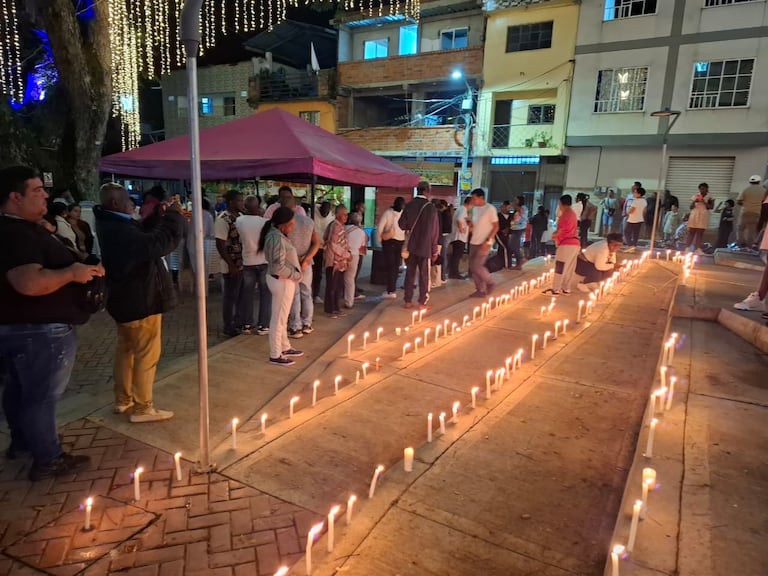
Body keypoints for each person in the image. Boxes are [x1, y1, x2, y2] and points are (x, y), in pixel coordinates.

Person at [0, 166, 105, 479]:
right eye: (36, 191)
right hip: (39, 331)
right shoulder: (15, 234)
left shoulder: (20, 229)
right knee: (40, 396)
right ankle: (48, 457)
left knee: (20, 391)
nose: (45, 194)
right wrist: (73, 273)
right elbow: (29, 283)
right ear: (14, 198)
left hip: (23, 328)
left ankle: (24, 442)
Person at [94, 182, 183, 423]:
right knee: (146, 353)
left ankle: (124, 400)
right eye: (127, 200)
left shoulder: (113, 223)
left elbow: (144, 236)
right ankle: (143, 407)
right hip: (141, 299)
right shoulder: (118, 229)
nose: (132, 204)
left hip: (126, 300)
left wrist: (159, 217)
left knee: (127, 350)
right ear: (114, 203)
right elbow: (156, 245)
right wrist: (174, 218)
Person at [258, 207, 303, 366]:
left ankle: (284, 346)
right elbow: (277, 266)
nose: (293, 226)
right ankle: (275, 354)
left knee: (282, 317)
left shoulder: (277, 235)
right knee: (279, 318)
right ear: (283, 224)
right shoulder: (276, 238)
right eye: (291, 223)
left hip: (282, 280)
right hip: (281, 281)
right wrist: (296, 275)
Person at [398, 181, 439, 308]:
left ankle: (408, 301)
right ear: (427, 191)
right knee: (424, 275)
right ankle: (422, 302)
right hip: (424, 247)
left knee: (410, 273)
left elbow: (401, 225)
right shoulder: (430, 207)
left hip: (411, 246)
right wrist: (434, 250)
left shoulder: (409, 205)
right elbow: (434, 231)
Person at [237, 195, 270, 336]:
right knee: (265, 294)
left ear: (245, 207)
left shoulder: (239, 221)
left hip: (248, 261)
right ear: (258, 207)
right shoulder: (266, 222)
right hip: (263, 261)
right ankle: (263, 325)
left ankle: (247, 324)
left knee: (247, 294)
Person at [286, 197, 320, 336]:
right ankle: (307, 323)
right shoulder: (308, 221)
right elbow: (317, 243)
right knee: (306, 293)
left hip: (290, 262)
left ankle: (295, 326)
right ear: (296, 206)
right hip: (307, 262)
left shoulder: (285, 222)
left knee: (294, 295)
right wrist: (307, 258)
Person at [215, 189, 245, 336]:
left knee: (240, 295)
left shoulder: (241, 217)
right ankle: (228, 325)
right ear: (231, 202)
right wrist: (231, 265)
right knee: (230, 295)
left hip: (243, 262)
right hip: (231, 264)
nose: (242, 203)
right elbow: (220, 244)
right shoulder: (223, 218)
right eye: (239, 200)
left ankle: (238, 322)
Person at [467, 188, 499, 298]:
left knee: (477, 266)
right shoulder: (474, 209)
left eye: (474, 198)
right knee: (472, 267)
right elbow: (474, 225)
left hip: (484, 241)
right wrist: (470, 224)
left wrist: (489, 240)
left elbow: (496, 226)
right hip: (474, 241)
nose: (473, 200)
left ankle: (490, 282)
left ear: (481, 198)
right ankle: (480, 289)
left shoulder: (490, 209)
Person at [546, 194, 580, 295]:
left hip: (567, 244)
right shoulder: (573, 214)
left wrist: (553, 235)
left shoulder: (565, 215)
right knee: (569, 267)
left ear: (561, 204)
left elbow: (561, 231)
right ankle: (566, 288)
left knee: (560, 266)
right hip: (575, 243)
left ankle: (556, 289)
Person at [324, 205, 352, 317]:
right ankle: (330, 309)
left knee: (337, 286)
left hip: (340, 262)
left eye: (346, 214)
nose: (346, 217)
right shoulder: (335, 226)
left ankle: (336, 307)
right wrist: (346, 254)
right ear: (338, 214)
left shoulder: (339, 226)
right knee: (332, 286)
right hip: (333, 261)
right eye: (344, 214)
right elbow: (333, 244)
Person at [377, 196, 405, 298]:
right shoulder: (403, 213)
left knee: (390, 266)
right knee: (396, 266)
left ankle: (390, 290)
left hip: (389, 242)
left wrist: (379, 240)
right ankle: (392, 289)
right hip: (400, 242)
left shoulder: (388, 213)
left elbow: (380, 227)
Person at [344, 211, 368, 307]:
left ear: (349, 219)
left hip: (342, 255)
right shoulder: (361, 232)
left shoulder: (343, 228)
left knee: (338, 278)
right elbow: (362, 245)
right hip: (354, 256)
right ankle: (349, 302)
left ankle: (334, 301)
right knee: (350, 279)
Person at [736, 175, 766, 248]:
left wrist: (745, 204)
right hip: (757, 213)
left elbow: (739, 201)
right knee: (751, 231)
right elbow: (764, 202)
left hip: (746, 212)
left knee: (740, 228)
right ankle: (750, 247)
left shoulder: (746, 189)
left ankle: (741, 243)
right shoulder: (763, 191)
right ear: (759, 181)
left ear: (750, 181)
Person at [312, 200, 333, 302]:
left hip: (322, 248)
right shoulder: (312, 213)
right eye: (323, 212)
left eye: (327, 212)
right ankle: (312, 293)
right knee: (312, 271)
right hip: (312, 247)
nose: (325, 214)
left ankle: (315, 294)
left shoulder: (330, 217)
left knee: (318, 272)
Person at [687, 183, 714, 254]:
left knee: (700, 232)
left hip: (703, 215)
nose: (702, 190)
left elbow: (711, 207)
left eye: (703, 188)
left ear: (707, 189)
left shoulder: (710, 197)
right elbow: (691, 207)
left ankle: (697, 249)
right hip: (695, 214)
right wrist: (694, 201)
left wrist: (704, 202)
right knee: (691, 232)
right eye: (700, 189)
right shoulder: (696, 196)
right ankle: (687, 248)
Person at [448, 196, 471, 279]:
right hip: (459, 237)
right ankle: (454, 273)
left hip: (457, 236)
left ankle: (453, 272)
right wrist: (461, 229)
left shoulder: (460, 209)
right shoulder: (463, 209)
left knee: (456, 255)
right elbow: (459, 220)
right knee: (457, 256)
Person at [624, 187, 647, 252]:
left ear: (639, 194)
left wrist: (627, 212)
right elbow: (645, 210)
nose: (634, 193)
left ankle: (630, 245)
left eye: (635, 192)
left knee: (626, 232)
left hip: (632, 219)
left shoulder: (635, 201)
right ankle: (634, 245)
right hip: (640, 219)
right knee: (635, 233)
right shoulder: (644, 201)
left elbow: (632, 210)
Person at [509, 195, 528, 269]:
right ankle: (519, 262)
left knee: (514, 245)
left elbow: (521, 211)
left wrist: (513, 205)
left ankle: (521, 259)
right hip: (514, 228)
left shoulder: (523, 207)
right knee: (513, 245)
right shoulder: (516, 209)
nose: (514, 202)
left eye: (516, 200)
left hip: (519, 228)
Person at [497, 201, 513, 269]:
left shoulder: (511, 216)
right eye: (503, 207)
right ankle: (507, 265)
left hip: (508, 235)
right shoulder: (498, 215)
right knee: (505, 248)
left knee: (505, 248)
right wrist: (502, 230)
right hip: (499, 234)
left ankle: (501, 264)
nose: (504, 208)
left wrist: (508, 230)